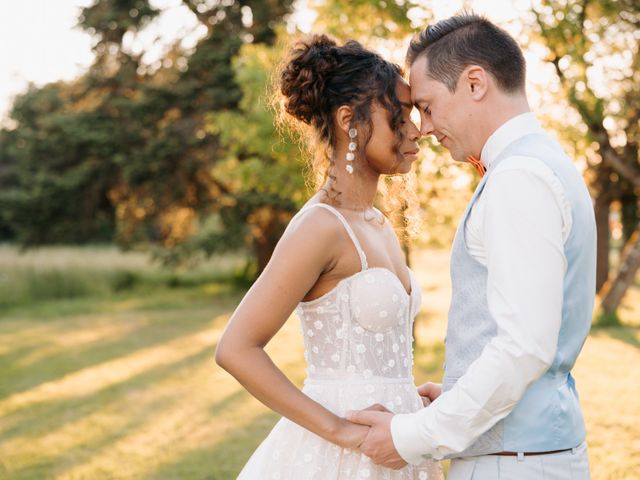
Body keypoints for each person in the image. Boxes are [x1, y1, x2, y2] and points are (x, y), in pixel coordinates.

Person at [348, 14, 596, 480]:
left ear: (475, 83)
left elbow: (523, 347)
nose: (422, 127)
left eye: (427, 104)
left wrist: (410, 437)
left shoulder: (518, 179)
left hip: (512, 467)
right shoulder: (545, 163)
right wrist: (461, 392)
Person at [215, 34, 442, 479]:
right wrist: (341, 431)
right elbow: (236, 348)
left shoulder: (377, 223)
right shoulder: (320, 226)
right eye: (398, 114)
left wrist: (406, 399)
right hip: (339, 457)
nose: (416, 130)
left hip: (400, 443)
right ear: (349, 121)